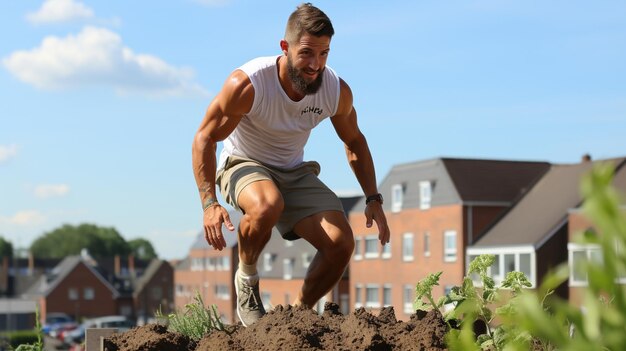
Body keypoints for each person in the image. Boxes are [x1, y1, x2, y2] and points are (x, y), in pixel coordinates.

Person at [192, 2, 390, 327]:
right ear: (285, 47)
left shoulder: (334, 91)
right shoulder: (248, 84)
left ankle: (298, 314)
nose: (316, 65)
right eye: (307, 53)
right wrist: (209, 202)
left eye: (324, 53)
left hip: (294, 170)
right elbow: (204, 138)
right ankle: (247, 278)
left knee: (341, 244)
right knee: (268, 204)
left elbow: (354, 141)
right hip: (244, 161)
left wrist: (373, 198)